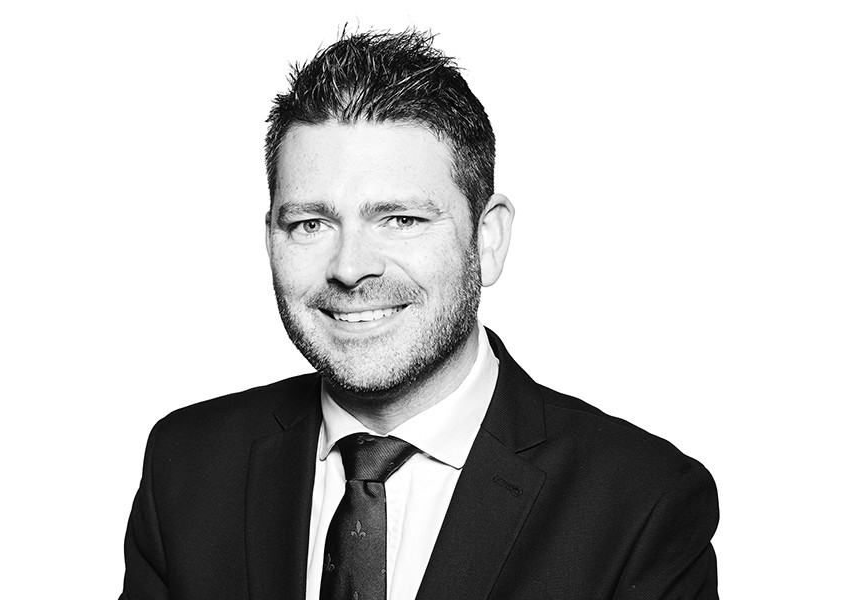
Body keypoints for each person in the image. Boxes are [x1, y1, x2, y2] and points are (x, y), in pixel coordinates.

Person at [120, 30, 719, 600]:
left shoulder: (641, 504)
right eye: (310, 224)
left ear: (488, 238)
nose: (350, 267)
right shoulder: (188, 465)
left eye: (401, 219)